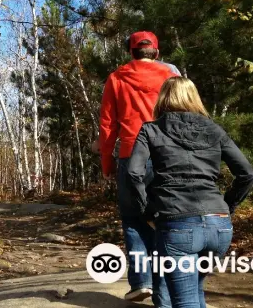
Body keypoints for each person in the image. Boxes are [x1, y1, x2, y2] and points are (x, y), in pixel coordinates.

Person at [126, 77, 253, 308]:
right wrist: (227, 206)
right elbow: (247, 174)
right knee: (195, 291)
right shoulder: (215, 130)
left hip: (178, 225)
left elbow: (134, 174)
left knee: (185, 301)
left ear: (163, 98)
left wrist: (147, 211)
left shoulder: (151, 129)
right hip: (220, 227)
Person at [100, 31, 179, 304]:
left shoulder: (116, 78)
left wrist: (107, 164)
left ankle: (141, 282)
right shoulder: (171, 77)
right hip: (166, 156)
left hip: (131, 154)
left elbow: (108, 126)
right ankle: (164, 293)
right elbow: (183, 115)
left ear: (131, 53)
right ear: (156, 52)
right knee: (165, 222)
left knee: (133, 219)